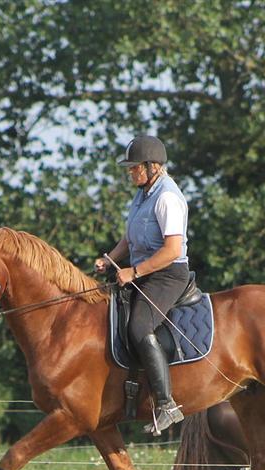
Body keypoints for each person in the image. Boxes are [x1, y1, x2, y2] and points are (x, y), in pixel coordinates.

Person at [95, 135, 192, 435]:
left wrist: (133, 272)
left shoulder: (167, 198)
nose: (130, 172)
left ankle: (165, 405)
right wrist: (110, 259)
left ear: (152, 167)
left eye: (134, 167)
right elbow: (129, 239)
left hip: (168, 274)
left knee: (139, 327)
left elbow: (172, 250)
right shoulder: (142, 195)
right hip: (144, 272)